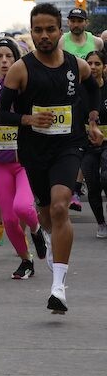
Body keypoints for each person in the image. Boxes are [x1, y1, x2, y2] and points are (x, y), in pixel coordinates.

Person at [0, 3, 101, 315]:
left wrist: (93, 117)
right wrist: (27, 120)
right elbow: (1, 113)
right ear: (31, 32)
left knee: (59, 207)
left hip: (68, 146)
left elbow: (93, 87)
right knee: (46, 214)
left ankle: (58, 287)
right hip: (35, 151)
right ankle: (46, 236)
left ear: (60, 31)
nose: (44, 35)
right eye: (38, 30)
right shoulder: (21, 69)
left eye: (50, 29)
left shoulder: (75, 65)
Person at [0, 37, 48, 280]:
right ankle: (26, 260)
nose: (4, 61)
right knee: (9, 220)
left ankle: (37, 229)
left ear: (17, 60)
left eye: (9, 57)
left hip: (25, 161)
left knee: (23, 206)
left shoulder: (27, 86)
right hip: (0, 162)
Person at [82, 50, 107, 238]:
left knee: (106, 177)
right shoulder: (79, 91)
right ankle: (101, 223)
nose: (93, 67)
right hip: (87, 145)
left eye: (97, 63)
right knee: (92, 184)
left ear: (104, 67)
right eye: (89, 63)